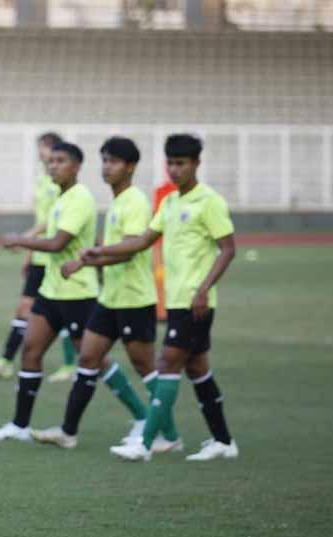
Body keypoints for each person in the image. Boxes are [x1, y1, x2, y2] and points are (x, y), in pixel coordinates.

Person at [30, 136, 180, 451]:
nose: (107, 167)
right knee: (88, 357)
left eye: (113, 161)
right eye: (105, 160)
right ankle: (68, 432)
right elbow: (115, 250)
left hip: (134, 297)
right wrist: (89, 259)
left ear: (131, 167)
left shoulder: (135, 201)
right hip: (110, 297)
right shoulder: (117, 201)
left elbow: (130, 249)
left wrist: (89, 256)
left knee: (144, 366)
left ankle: (169, 435)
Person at [98, 134, 238, 462]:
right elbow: (144, 239)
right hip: (176, 302)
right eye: (170, 163)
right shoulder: (170, 202)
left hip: (195, 302)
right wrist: (98, 253)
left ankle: (145, 444)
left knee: (166, 364)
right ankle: (223, 441)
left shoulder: (210, 202)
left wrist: (203, 289)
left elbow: (228, 249)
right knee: (197, 369)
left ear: (196, 164)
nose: (174, 170)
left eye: (181, 163)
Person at [0, 142, 98, 444]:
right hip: (51, 289)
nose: (53, 165)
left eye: (60, 161)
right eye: (51, 161)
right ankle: (19, 426)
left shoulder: (81, 198)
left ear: (76, 167)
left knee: (95, 360)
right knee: (31, 351)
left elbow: (58, 243)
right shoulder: (60, 198)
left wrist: (21, 241)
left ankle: (140, 417)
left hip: (77, 293)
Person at [0, 132, 77, 381]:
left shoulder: (60, 185)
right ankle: (6, 361)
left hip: (55, 255)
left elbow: (50, 221)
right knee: (24, 308)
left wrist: (25, 238)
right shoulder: (43, 182)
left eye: (44, 149)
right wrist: (30, 254)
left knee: (61, 312)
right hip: (40, 256)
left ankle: (70, 364)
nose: (42, 156)